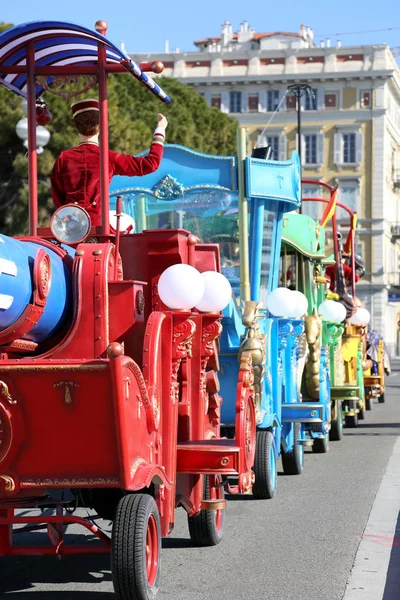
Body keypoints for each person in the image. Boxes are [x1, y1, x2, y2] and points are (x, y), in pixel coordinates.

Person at [50, 98, 168, 226]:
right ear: (100, 126)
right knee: (128, 224)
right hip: (98, 226)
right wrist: (160, 130)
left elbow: (58, 197)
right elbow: (150, 164)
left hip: (70, 228)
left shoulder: (64, 158)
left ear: (76, 126)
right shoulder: (108, 157)